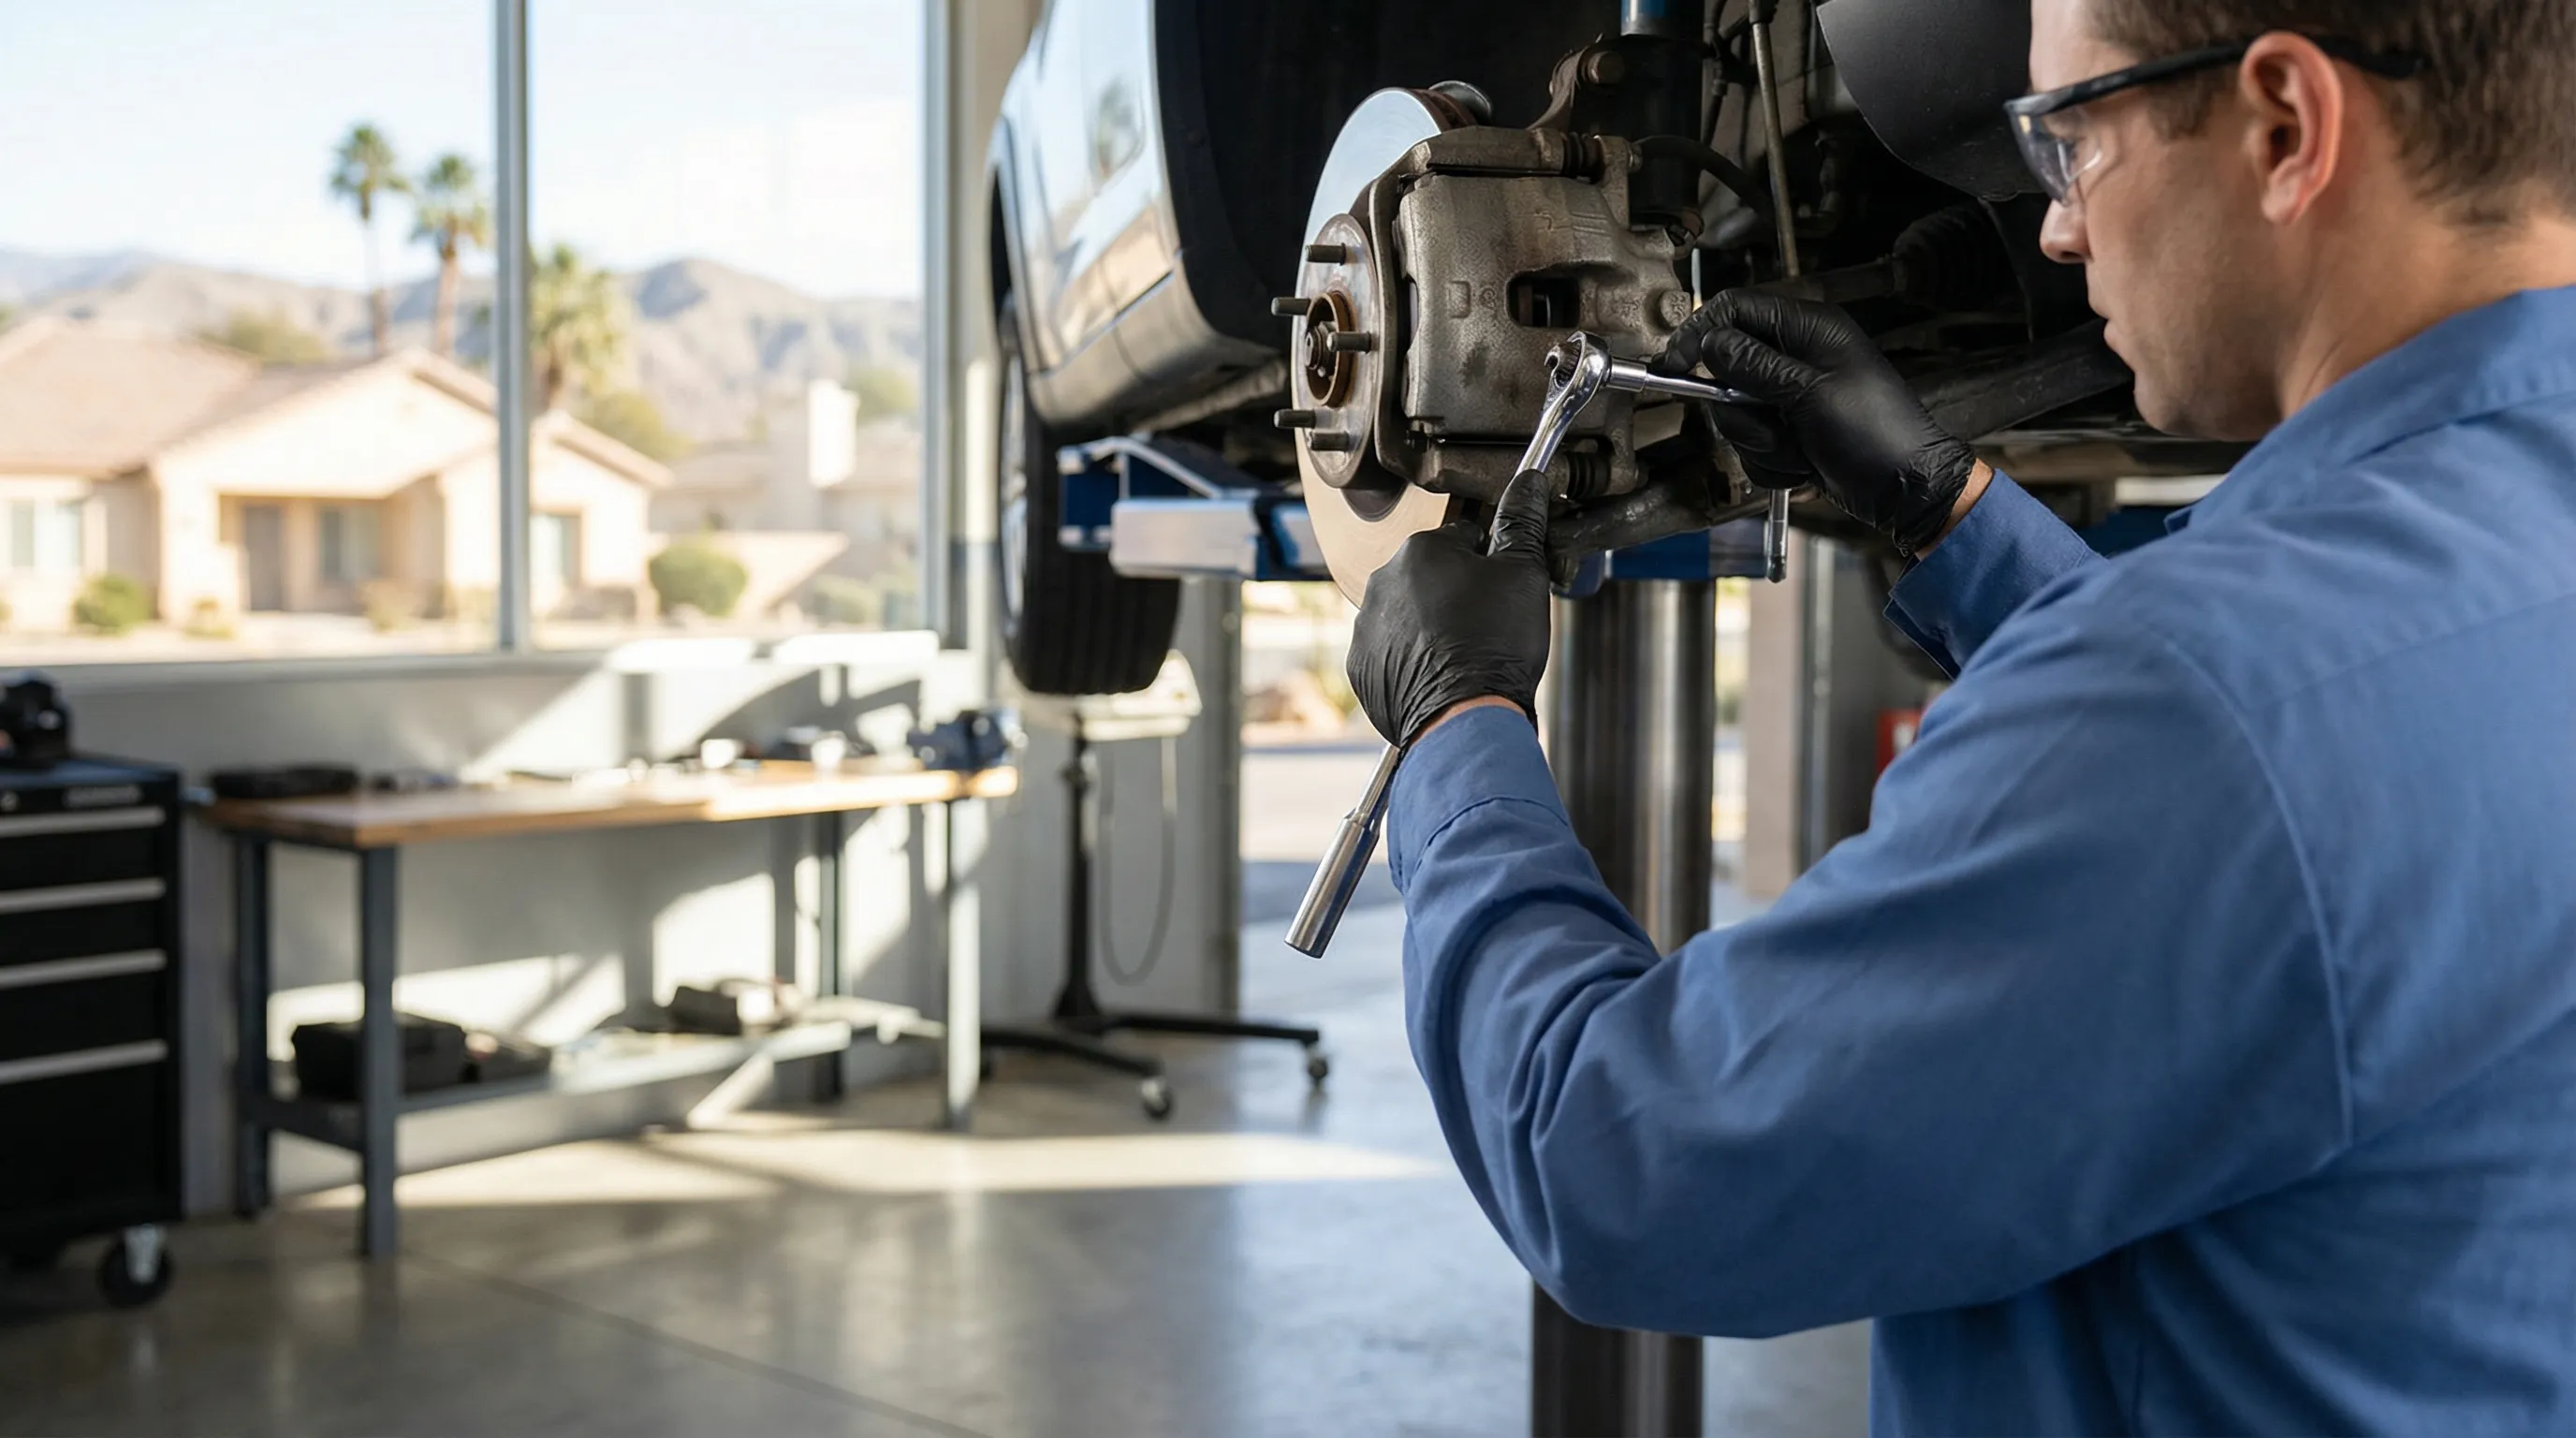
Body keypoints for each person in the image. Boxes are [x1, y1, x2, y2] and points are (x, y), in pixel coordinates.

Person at [1343, 0, 2576, 1431]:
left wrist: (1458, 728)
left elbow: (1622, 1165)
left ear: (2287, 129)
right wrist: (1951, 512)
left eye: (2072, 144)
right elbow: (2294, 779)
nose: (2055, 233)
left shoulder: (2196, 713)